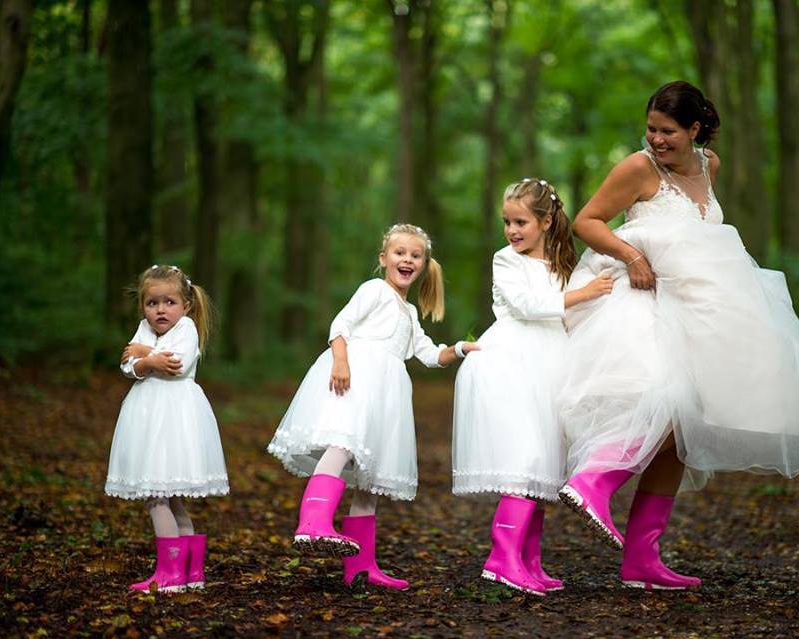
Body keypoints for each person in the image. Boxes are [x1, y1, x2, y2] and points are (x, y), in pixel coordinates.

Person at [558, 81, 799, 590]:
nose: (656, 139)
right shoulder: (637, 168)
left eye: (668, 131)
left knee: (685, 430)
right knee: (667, 405)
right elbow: (585, 221)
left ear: (695, 129)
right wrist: (633, 257)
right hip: (647, 301)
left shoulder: (710, 165)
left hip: (703, 313)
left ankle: (641, 561)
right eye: (651, 128)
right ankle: (595, 481)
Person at [268, 224, 478, 591]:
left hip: (388, 392)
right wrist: (341, 362)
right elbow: (340, 325)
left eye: (415, 255)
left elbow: (429, 355)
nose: (407, 260)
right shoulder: (375, 290)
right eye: (399, 253)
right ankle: (313, 519)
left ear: (424, 265)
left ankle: (360, 567)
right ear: (383, 259)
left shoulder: (410, 313)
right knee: (343, 442)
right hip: (358, 375)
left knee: (371, 480)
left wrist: (460, 349)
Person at [453, 179, 613, 596]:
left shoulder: (561, 263)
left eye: (520, 221)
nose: (512, 230)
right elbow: (527, 306)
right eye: (507, 222)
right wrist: (583, 294)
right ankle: (501, 557)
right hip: (511, 362)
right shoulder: (505, 261)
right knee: (524, 460)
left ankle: (530, 561)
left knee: (543, 465)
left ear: (545, 221)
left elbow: (569, 315)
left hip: (550, 365)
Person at [106, 264, 228, 592]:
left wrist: (146, 356)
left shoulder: (187, 327)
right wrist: (145, 360)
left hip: (175, 418)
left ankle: (170, 575)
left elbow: (176, 364)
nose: (160, 309)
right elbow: (128, 365)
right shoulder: (143, 328)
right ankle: (190, 574)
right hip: (147, 417)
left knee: (157, 496)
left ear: (185, 305)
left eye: (169, 302)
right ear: (143, 306)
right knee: (170, 499)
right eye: (152, 303)